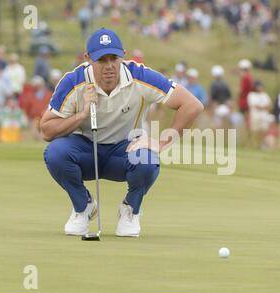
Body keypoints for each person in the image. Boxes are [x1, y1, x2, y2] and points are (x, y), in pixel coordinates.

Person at [40, 28, 203, 237]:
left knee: (147, 159)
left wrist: (161, 143)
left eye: (114, 58)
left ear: (123, 55)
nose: (109, 66)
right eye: (102, 60)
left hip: (125, 151)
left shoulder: (140, 76)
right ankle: (83, 207)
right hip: (86, 151)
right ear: (88, 58)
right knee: (55, 153)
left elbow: (192, 105)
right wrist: (81, 114)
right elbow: (46, 130)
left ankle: (130, 210)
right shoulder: (74, 81)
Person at [247, 80, 271, 147]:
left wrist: (262, 107)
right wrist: (263, 107)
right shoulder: (251, 95)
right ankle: (254, 144)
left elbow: (269, 106)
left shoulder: (265, 95)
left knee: (263, 130)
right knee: (255, 131)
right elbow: (255, 106)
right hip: (255, 116)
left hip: (263, 117)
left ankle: (262, 144)